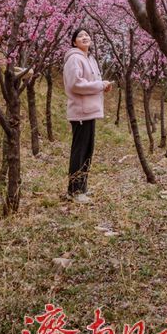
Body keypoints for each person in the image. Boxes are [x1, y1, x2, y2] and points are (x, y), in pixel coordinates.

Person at [63, 27, 112, 203]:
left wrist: (102, 85)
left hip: (89, 111)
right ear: (74, 42)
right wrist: (100, 85)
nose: (84, 37)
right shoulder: (74, 59)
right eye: (80, 36)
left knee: (87, 151)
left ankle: (81, 187)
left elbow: (91, 83)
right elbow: (75, 84)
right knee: (80, 151)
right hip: (80, 112)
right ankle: (74, 191)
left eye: (86, 35)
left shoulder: (89, 58)